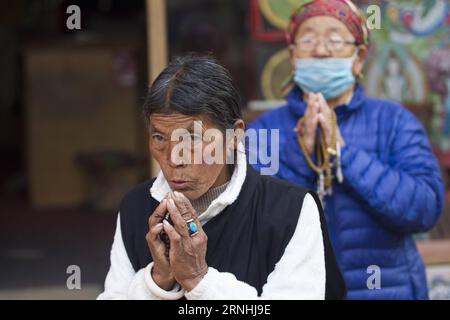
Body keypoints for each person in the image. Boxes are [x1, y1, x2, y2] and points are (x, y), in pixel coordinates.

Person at [98, 55, 346, 300]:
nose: (174, 158)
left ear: (234, 136)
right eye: (160, 138)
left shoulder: (291, 211)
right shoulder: (136, 207)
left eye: (192, 138)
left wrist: (199, 280)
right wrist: (157, 281)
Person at [248, 0, 444, 299]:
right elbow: (253, 226)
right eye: (309, 40)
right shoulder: (265, 132)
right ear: (293, 55)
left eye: (335, 40)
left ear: (359, 57)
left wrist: (344, 153)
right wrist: (304, 157)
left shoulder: (394, 122)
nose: (321, 50)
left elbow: (424, 209)